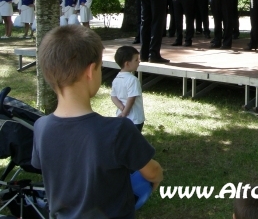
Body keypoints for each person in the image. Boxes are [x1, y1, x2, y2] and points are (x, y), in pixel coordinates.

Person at [32, 25, 163, 218]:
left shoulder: (40, 127)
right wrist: (157, 176)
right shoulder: (118, 130)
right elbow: (152, 172)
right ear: (91, 71)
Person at [111, 46, 145, 131]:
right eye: (136, 60)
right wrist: (125, 112)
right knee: (134, 141)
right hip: (134, 118)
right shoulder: (133, 80)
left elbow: (113, 96)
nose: (139, 62)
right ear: (127, 63)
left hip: (121, 116)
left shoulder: (116, 79)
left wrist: (121, 107)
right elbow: (131, 98)